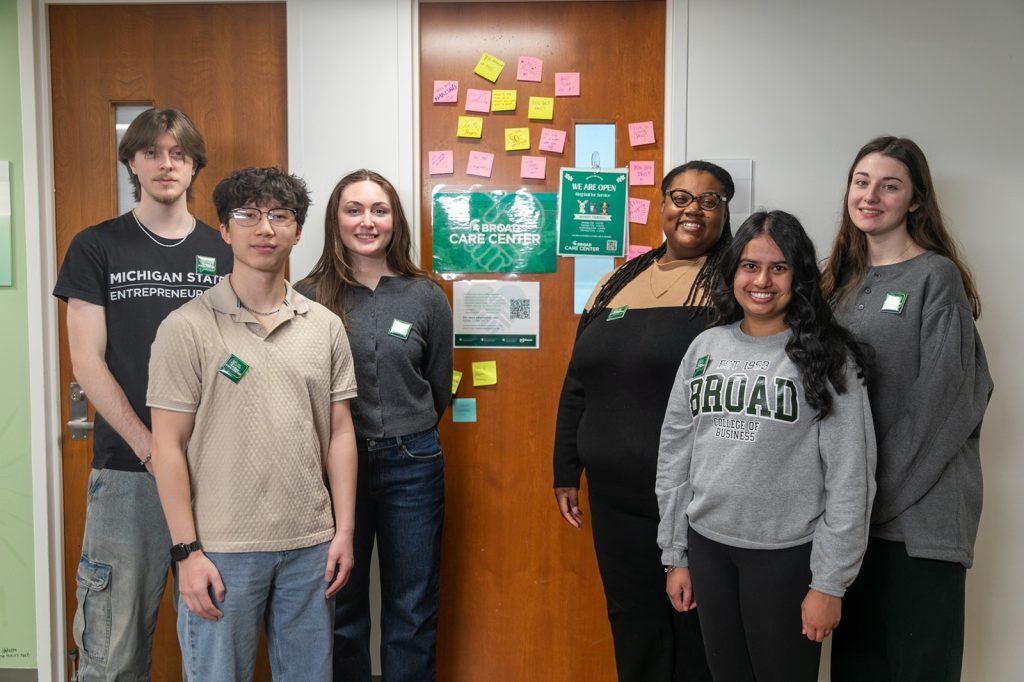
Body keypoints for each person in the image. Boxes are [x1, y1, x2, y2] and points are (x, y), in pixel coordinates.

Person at [147, 167, 359, 680]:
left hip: (311, 545)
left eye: (280, 216)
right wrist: (187, 552)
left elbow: (341, 432)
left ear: (298, 230)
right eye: (248, 215)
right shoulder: (185, 327)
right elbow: (167, 446)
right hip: (221, 549)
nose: (265, 228)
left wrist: (344, 530)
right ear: (224, 229)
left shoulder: (324, 326)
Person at [657, 210, 877, 681]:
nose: (762, 280)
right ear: (733, 271)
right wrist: (675, 553)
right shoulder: (705, 347)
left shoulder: (829, 357)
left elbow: (851, 477)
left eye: (779, 268)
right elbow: (675, 454)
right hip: (709, 548)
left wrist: (829, 583)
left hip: (787, 557)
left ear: (798, 278)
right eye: (750, 266)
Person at [52, 107, 231, 680]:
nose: (166, 164)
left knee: (214, 641)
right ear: (131, 161)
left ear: (195, 164)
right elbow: (86, 359)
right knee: (115, 647)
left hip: (217, 474)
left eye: (179, 153)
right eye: (152, 152)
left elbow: (242, 355)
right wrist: (150, 447)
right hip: (128, 472)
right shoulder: (96, 246)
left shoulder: (225, 250)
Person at [552, 161, 736, 681]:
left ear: (726, 209)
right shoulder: (618, 281)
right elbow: (578, 379)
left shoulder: (734, 284)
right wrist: (566, 468)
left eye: (708, 200)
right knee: (633, 620)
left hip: (698, 495)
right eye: (679, 197)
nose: (691, 210)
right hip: (616, 498)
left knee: (696, 625)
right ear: (661, 206)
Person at [824, 136, 993, 682]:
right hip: (854, 526)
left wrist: (870, 497)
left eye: (890, 186)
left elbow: (945, 406)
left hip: (919, 526)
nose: (871, 196)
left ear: (915, 200)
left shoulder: (934, 277)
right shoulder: (839, 285)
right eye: (861, 182)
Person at [297, 169, 453, 682]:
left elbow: (437, 385)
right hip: (331, 469)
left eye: (379, 210)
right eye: (354, 209)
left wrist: (408, 428)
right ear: (335, 220)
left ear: (395, 220)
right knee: (340, 603)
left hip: (413, 463)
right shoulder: (306, 296)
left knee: (412, 606)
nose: (368, 221)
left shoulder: (426, 295)